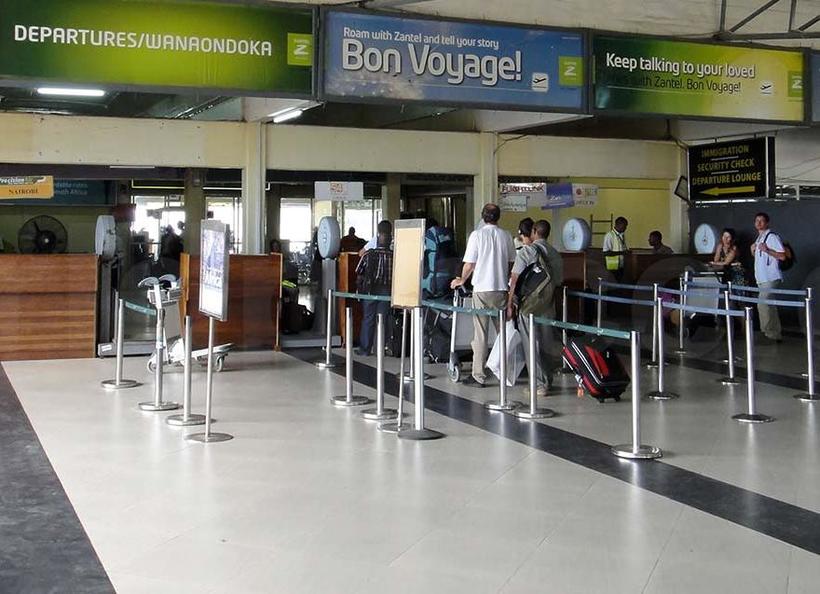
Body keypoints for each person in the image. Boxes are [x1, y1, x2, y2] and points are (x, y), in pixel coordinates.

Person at [451, 203, 515, 387]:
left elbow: (470, 264)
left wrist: (461, 280)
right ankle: (505, 371)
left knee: (480, 334)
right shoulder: (506, 236)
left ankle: (478, 375)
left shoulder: (477, 235)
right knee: (503, 333)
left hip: (481, 290)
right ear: (498, 217)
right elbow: (511, 262)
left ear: (483, 216)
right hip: (501, 289)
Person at [507, 219, 563, 396]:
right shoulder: (555, 253)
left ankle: (539, 384)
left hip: (530, 305)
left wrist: (510, 304)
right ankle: (547, 379)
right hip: (549, 304)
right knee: (546, 342)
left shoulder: (528, 251)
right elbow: (559, 280)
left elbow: (515, 279)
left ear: (534, 231)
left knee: (531, 342)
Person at [355, 220, 393, 356]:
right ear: (390, 236)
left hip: (370, 290)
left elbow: (358, 270)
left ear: (378, 235)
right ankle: (379, 349)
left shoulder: (369, 254)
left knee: (368, 319)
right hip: (386, 291)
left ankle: (365, 349)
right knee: (382, 320)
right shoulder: (394, 255)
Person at [751, 212, 786, 344]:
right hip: (762, 278)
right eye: (757, 220)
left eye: (761, 220)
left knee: (763, 303)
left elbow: (782, 256)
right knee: (770, 306)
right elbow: (759, 257)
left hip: (770, 277)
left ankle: (766, 333)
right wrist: (752, 250)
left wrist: (767, 250)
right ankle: (775, 334)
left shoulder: (772, 237)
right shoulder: (759, 238)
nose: (759, 223)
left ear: (767, 223)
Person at [602, 217, 628, 281]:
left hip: (620, 266)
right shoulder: (609, 235)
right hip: (611, 267)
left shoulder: (622, 235)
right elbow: (606, 253)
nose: (626, 228)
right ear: (618, 224)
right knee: (612, 284)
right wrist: (621, 253)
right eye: (624, 226)